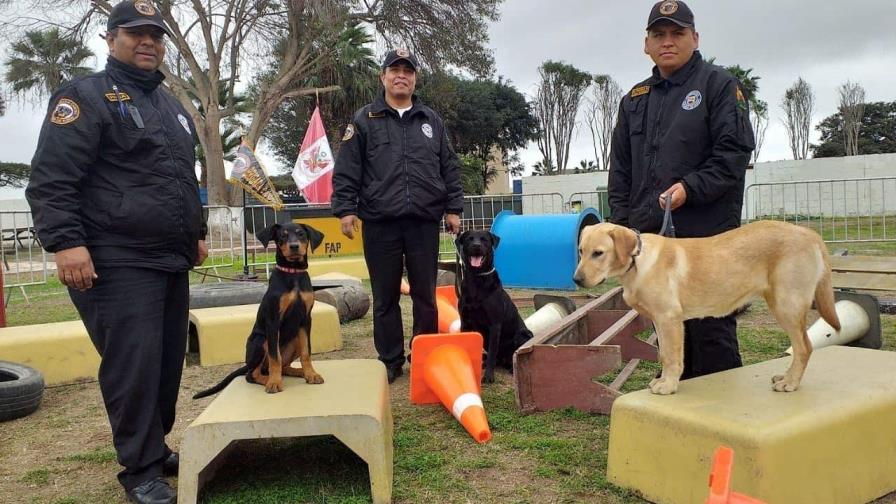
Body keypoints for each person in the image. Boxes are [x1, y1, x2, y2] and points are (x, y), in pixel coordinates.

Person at [26, 2, 207, 503]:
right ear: (111, 39)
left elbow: (180, 179)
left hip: (169, 257)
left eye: (155, 35)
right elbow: (52, 180)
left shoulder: (170, 105)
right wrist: (66, 243)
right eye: (135, 33)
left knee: (168, 361)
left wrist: (196, 230)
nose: (147, 42)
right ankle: (140, 470)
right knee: (134, 365)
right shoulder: (84, 97)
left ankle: (155, 445)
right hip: (114, 258)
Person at [608, 0, 755, 379]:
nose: (667, 42)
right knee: (667, 325)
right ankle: (679, 409)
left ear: (695, 37)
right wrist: (622, 228)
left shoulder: (719, 85)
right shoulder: (634, 99)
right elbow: (621, 170)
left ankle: (724, 414)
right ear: (646, 44)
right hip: (651, 238)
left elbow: (733, 155)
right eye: (659, 35)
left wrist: (689, 188)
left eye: (677, 33)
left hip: (707, 235)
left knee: (710, 329)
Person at [332, 48, 463, 384]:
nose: (401, 75)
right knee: (385, 296)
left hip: (423, 221)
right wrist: (346, 209)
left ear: (415, 78)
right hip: (379, 222)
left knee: (425, 294)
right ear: (383, 77)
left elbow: (448, 166)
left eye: (408, 70)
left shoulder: (431, 120)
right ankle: (389, 361)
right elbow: (348, 169)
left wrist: (453, 208)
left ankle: (424, 354)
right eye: (395, 70)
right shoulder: (364, 120)